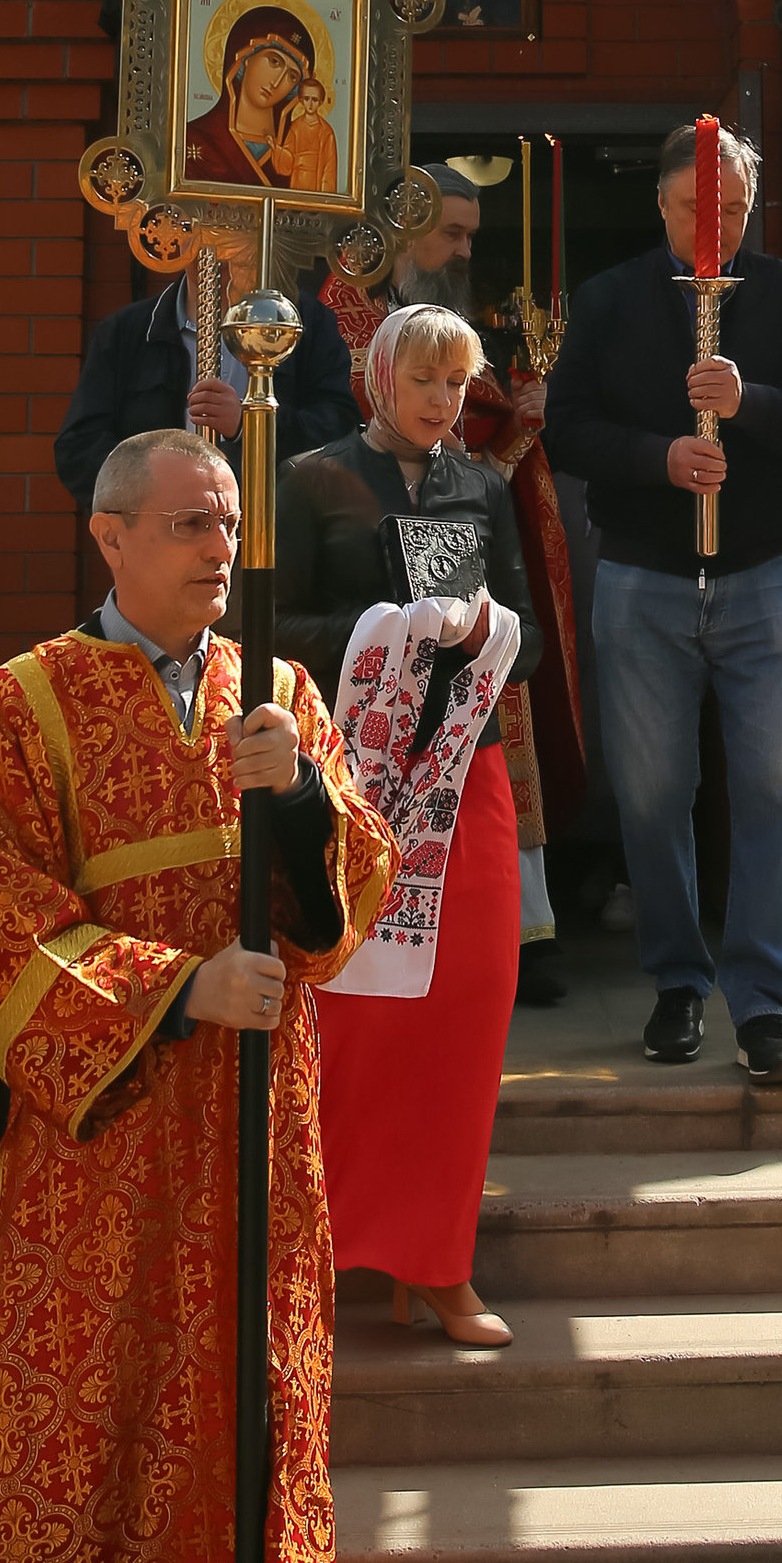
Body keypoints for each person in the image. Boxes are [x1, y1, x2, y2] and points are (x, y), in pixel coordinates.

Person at [0, 426, 411, 1563]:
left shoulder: (275, 691)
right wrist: (172, 990)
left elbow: (355, 890)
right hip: (102, 1165)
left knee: (260, 1460)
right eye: (190, 522)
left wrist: (307, 809)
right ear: (109, 536)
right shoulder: (19, 708)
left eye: (230, 521)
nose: (219, 548)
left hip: (259, 1150)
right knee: (80, 1451)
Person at [542, 121, 782, 1087]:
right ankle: (676, 979)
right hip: (643, 575)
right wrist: (661, 457)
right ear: (664, 203)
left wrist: (750, 399)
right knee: (650, 790)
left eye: (728, 209)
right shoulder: (608, 301)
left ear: (750, 205)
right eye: (693, 209)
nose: (710, 227)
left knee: (774, 783)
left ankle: (763, 998)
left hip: (767, 573)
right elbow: (566, 431)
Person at [281, 305, 530, 1347]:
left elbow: (535, 648)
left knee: (462, 1016)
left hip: (462, 776)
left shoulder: (484, 488)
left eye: (456, 386)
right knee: (351, 1026)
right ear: (378, 378)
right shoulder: (309, 480)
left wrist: (480, 633)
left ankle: (438, 1263)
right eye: (423, 382)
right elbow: (269, 632)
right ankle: (320, 1259)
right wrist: (387, 631)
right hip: (343, 782)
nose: (443, 404)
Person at [320, 159, 582, 1006]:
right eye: (453, 232)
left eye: (472, 233)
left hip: (461, 567)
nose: (466, 250)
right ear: (404, 226)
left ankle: (498, 936)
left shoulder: (460, 324)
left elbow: (486, 447)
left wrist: (514, 430)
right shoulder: (336, 314)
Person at [54, 266, 355, 513]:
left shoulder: (303, 322)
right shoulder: (128, 331)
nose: (213, 241)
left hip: (274, 537)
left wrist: (250, 424)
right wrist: (150, 491)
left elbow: (341, 435)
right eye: (197, 221)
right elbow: (79, 448)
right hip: (160, 537)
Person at [181, 4, 341, 193]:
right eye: (274, 61)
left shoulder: (304, 144)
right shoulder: (192, 140)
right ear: (246, 58)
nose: (277, 82)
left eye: (292, 76)